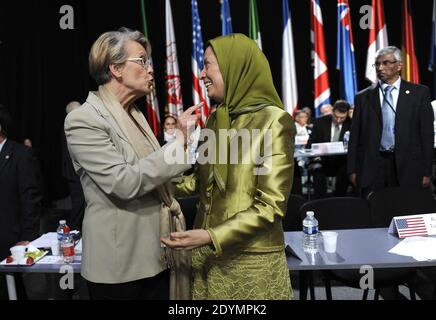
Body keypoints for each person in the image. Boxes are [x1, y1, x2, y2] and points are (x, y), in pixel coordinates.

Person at [64, 28, 199, 300]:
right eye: (142, 61)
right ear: (115, 68)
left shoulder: (135, 114)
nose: (151, 70)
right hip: (119, 267)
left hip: (156, 255)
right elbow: (123, 183)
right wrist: (178, 145)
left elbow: (154, 176)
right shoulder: (83, 119)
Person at [161, 34, 295, 300]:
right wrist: (153, 185)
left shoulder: (275, 121)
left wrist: (211, 235)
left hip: (251, 260)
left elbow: (271, 205)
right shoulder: (215, 119)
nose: (200, 74)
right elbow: (199, 183)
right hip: (206, 255)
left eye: (208, 65)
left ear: (234, 66)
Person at [347, 46, 434, 198]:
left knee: (406, 210)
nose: (380, 68)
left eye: (386, 63)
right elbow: (355, 136)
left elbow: (426, 135)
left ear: (399, 65)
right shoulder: (363, 97)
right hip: (373, 165)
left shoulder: (419, 93)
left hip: (409, 165)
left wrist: (427, 170)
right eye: (377, 64)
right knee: (374, 212)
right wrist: (352, 169)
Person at [0, 105, 42, 299]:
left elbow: (30, 199)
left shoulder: (20, 155)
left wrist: (28, 236)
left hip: (10, 240)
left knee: (13, 291)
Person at [307, 100, 352, 198]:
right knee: (317, 171)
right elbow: (310, 143)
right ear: (332, 111)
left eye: (342, 118)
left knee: (346, 170)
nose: (339, 120)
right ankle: (321, 202)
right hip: (322, 160)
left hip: (341, 161)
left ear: (347, 114)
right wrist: (316, 155)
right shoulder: (320, 122)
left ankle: (339, 200)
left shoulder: (351, 123)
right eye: (336, 116)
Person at [61, 101, 85, 231]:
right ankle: (72, 231)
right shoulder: (71, 126)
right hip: (75, 173)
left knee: (83, 203)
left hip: (78, 171)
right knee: (79, 203)